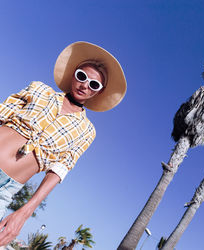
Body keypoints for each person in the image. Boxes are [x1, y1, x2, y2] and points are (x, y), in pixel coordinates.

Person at [0, 41, 127, 245]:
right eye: (82, 76)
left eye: (94, 84)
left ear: (99, 92)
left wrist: (24, 212)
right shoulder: (39, 89)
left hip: (5, 190)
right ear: (74, 74)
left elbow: (59, 170)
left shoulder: (86, 131)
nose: (85, 84)